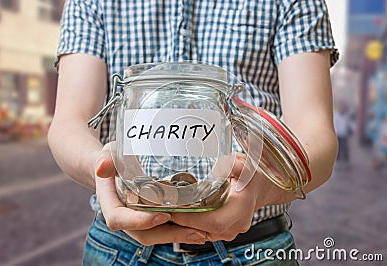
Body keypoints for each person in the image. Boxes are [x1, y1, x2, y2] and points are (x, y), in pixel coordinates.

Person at [48, 0, 339, 265]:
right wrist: (104, 173)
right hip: (118, 248)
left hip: (252, 248)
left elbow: (316, 134)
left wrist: (257, 190)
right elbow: (69, 123)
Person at [333, 102, 353, 170]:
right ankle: (337, 163)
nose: (342, 108)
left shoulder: (347, 116)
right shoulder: (336, 115)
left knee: (345, 149)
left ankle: (346, 162)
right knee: (338, 149)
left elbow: (349, 124)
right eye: (341, 107)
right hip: (338, 134)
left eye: (343, 107)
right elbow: (335, 125)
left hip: (344, 135)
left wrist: (350, 130)